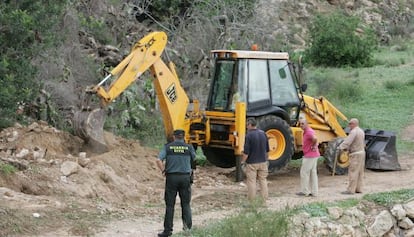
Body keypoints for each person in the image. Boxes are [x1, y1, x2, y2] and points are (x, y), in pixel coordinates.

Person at [156, 129, 196, 237]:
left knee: (170, 205)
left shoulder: (168, 147)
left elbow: (158, 160)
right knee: (186, 204)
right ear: (183, 137)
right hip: (185, 178)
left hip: (171, 178)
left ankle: (167, 231)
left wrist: (163, 170)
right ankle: (187, 230)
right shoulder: (189, 147)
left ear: (174, 137)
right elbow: (194, 160)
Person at [241, 117, 270, 202]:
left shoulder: (249, 135)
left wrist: (242, 162)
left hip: (252, 163)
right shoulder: (263, 134)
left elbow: (246, 152)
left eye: (247, 125)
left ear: (250, 125)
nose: (246, 127)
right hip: (263, 162)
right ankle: (264, 200)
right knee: (263, 180)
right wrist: (266, 159)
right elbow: (267, 150)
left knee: (251, 182)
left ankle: (252, 201)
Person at [339, 118, 365, 195]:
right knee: (360, 172)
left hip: (355, 154)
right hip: (362, 153)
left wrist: (340, 147)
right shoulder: (361, 131)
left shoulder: (353, 132)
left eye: (350, 123)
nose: (349, 125)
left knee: (353, 172)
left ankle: (350, 190)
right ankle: (358, 189)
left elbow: (347, 142)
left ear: (354, 124)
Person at [296, 118, 320, 197]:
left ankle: (305, 191)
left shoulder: (308, 132)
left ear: (307, 124)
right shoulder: (308, 131)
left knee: (304, 172)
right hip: (314, 155)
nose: (301, 125)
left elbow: (315, 139)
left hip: (309, 155)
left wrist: (312, 146)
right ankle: (314, 192)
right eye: (300, 124)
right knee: (313, 173)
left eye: (303, 123)